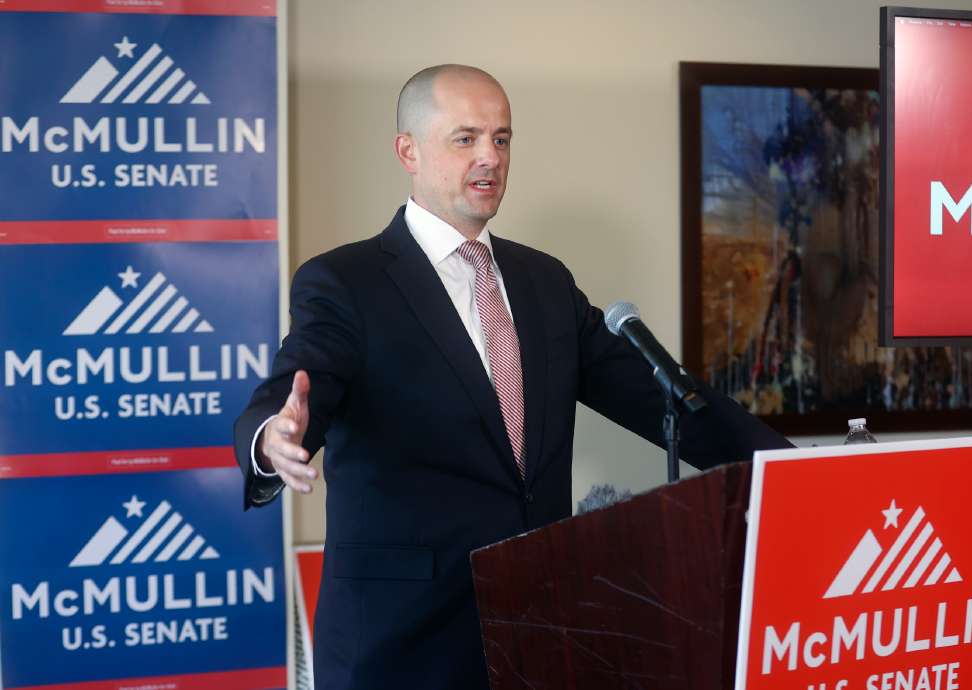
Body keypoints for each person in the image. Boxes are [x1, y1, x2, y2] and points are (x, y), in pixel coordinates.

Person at [233, 64, 791, 690]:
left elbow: (661, 395)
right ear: (407, 151)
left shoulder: (543, 281)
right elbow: (302, 384)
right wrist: (272, 437)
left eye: (501, 139)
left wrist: (794, 470)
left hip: (537, 630)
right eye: (465, 138)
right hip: (401, 647)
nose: (489, 158)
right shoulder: (346, 281)